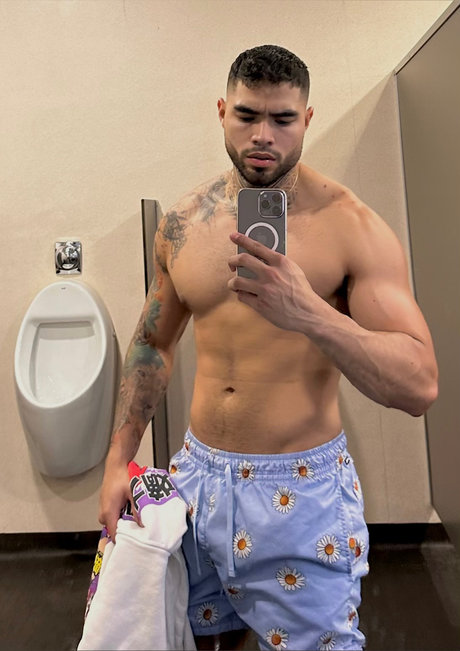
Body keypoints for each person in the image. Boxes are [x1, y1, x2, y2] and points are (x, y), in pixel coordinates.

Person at [98, 45, 438, 651]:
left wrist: (311, 313)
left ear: (307, 120)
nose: (263, 136)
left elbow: (419, 385)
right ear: (221, 112)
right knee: (200, 640)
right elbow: (152, 344)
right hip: (197, 478)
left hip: (299, 490)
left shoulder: (352, 227)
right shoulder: (183, 223)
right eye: (247, 115)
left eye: (282, 119)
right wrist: (117, 461)